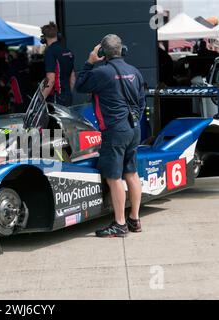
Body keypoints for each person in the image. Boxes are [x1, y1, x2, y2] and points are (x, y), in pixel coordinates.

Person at [75, 34, 146, 238]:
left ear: (103, 53)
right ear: (122, 50)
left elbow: (79, 85)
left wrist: (89, 62)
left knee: (113, 177)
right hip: (134, 129)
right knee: (131, 173)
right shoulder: (135, 71)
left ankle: (120, 224)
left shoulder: (101, 72)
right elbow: (141, 103)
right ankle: (134, 219)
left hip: (115, 131)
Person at [40, 22, 76, 106]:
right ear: (58, 36)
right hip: (68, 96)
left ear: (43, 39)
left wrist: (40, 100)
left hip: (56, 97)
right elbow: (73, 77)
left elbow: (51, 79)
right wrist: (68, 93)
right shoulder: (68, 51)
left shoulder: (50, 52)